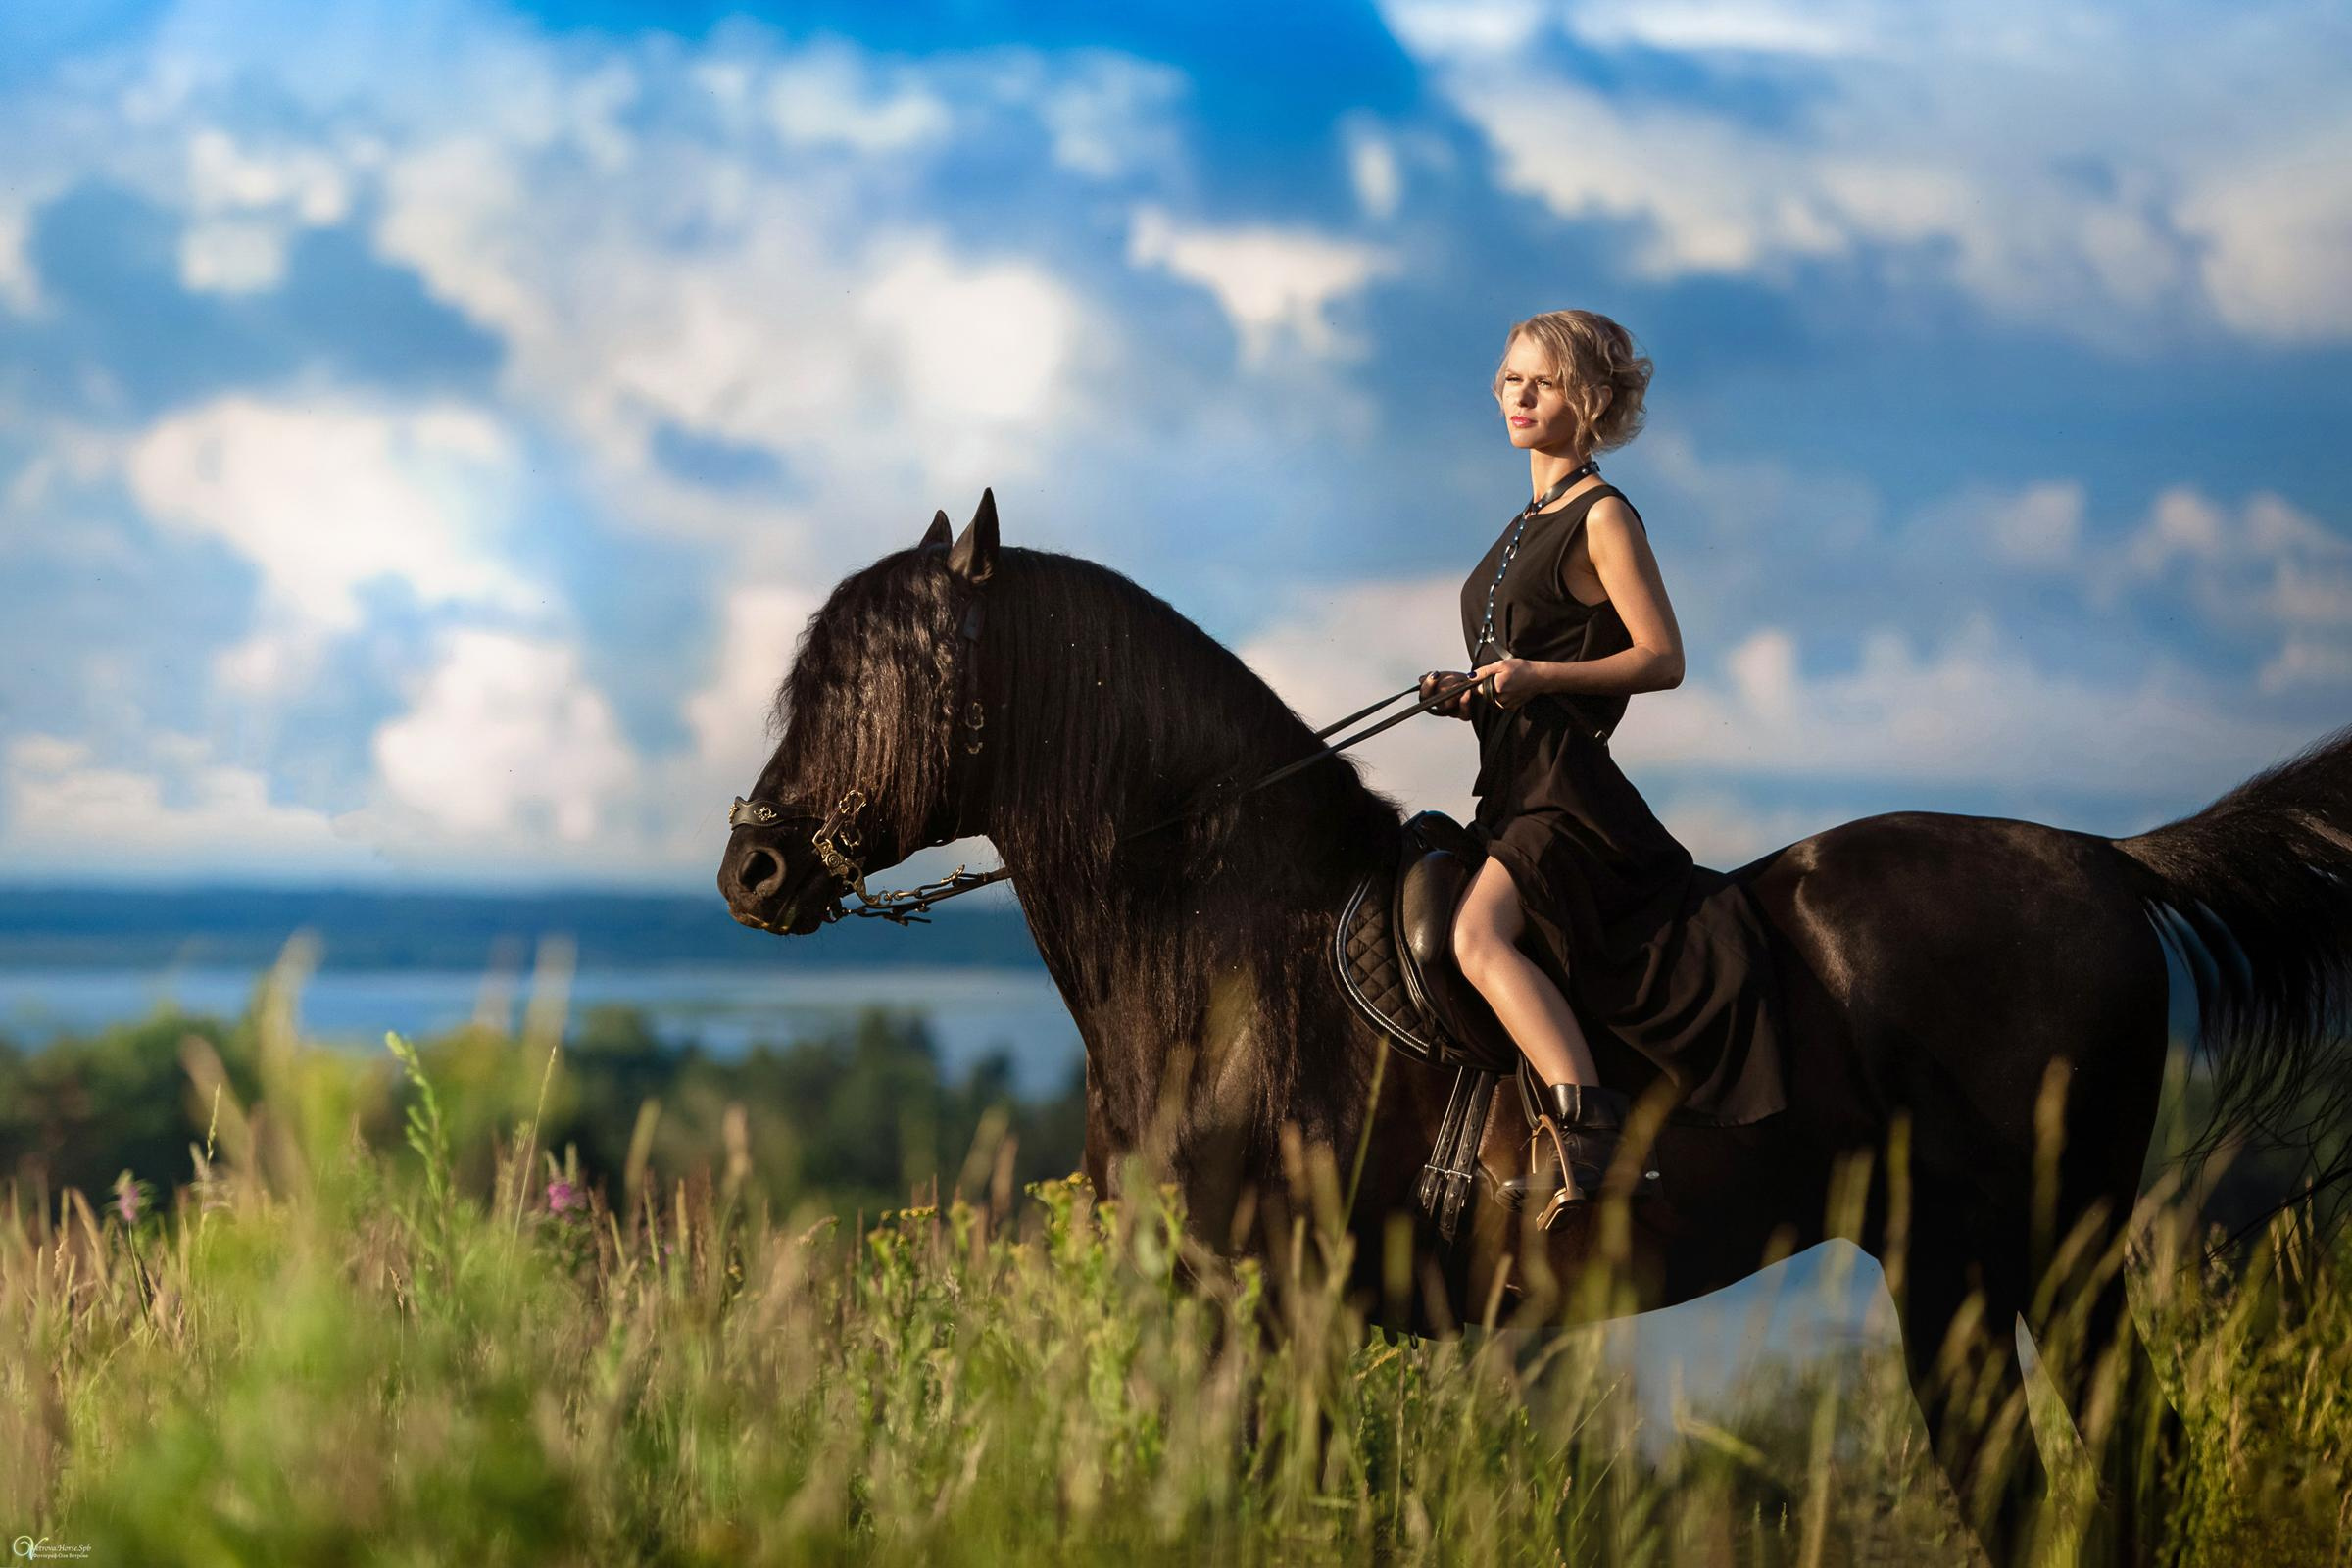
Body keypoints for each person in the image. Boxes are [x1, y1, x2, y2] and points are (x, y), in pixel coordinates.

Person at [1418, 309, 1688, 1231]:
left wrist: (1537, 677)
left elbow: (1663, 658)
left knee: (1476, 937)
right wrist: (1474, 692)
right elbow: (1523, 665)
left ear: (1594, 400)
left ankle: (1595, 1150)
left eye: (1544, 381)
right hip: (1510, 788)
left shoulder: (1602, 515)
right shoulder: (1526, 521)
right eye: (1510, 379)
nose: (1520, 396)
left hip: (1567, 797)